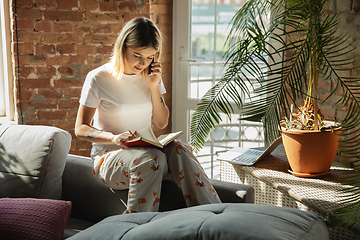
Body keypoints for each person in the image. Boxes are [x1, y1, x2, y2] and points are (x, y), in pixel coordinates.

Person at [75, 17, 221, 214]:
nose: (143, 63)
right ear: (122, 47)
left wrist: (153, 86)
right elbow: (80, 128)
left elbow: (161, 122)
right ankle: (137, 227)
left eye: (150, 57)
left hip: (146, 150)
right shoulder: (98, 78)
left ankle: (212, 215)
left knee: (180, 149)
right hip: (108, 158)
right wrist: (114, 137)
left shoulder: (151, 76)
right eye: (137, 55)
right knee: (152, 159)